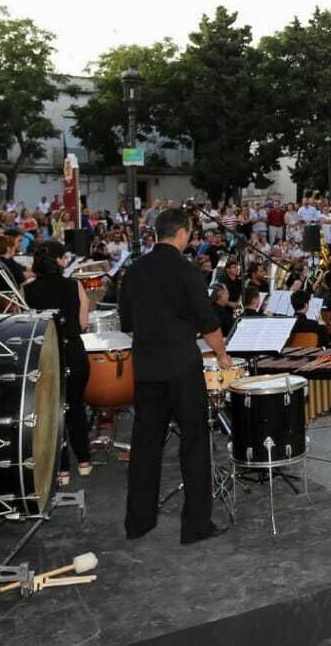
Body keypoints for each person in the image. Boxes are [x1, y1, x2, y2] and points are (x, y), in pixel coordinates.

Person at [120, 208, 234, 544]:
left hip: (147, 368)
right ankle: (195, 526)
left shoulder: (133, 272)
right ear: (182, 233)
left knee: (145, 446)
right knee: (194, 444)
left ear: (158, 233)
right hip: (183, 368)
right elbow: (209, 325)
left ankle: (138, 522)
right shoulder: (188, 271)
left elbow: (128, 327)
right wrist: (222, 355)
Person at [25, 240, 93, 480]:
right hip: (73, 351)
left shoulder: (27, 289)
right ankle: (84, 461)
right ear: (58, 260)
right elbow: (83, 324)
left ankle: (62, 468)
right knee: (75, 406)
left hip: (45, 355)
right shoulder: (75, 285)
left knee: (52, 410)